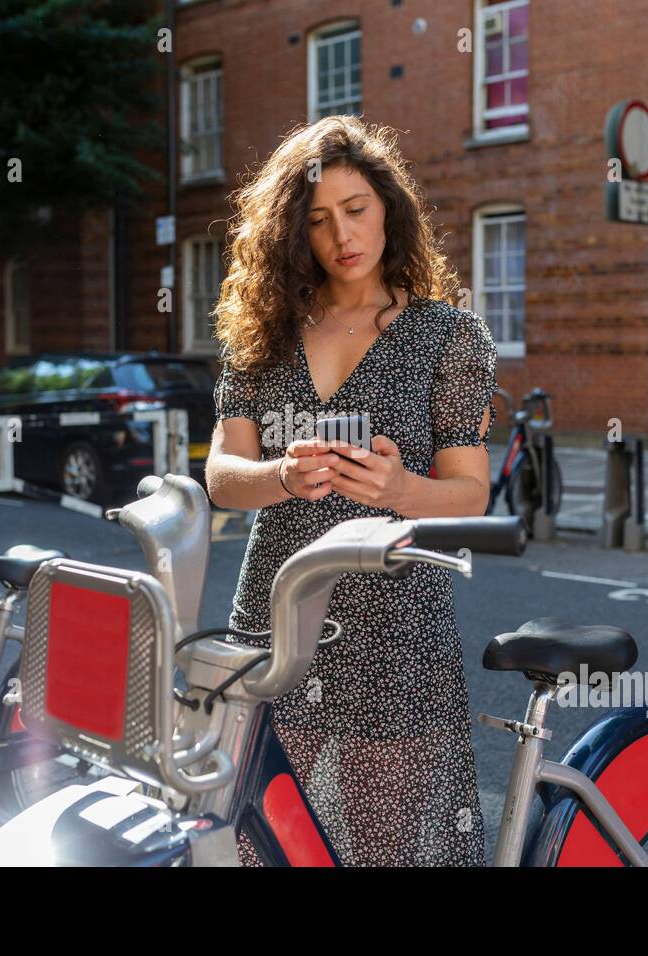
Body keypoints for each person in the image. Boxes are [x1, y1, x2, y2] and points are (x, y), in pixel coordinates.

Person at [205, 115, 498, 866]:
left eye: (356, 208)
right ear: (292, 233)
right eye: (317, 219)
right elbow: (220, 478)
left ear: (388, 207)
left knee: (381, 847)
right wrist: (279, 475)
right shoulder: (264, 334)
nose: (342, 235)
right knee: (252, 834)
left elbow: (470, 496)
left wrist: (402, 487)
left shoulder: (448, 336)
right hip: (274, 614)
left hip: (394, 624)